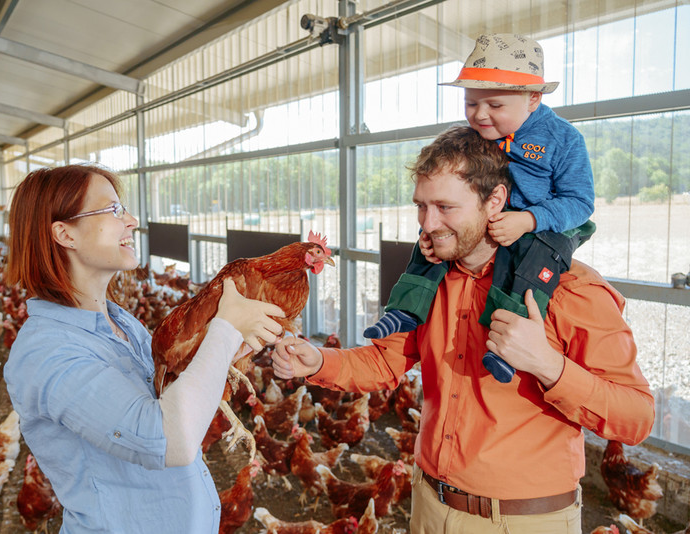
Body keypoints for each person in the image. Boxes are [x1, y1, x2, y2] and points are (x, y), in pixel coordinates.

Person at [273, 127, 654, 534]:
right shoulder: (432, 277)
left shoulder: (568, 289)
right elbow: (385, 360)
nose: (428, 223)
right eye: (421, 206)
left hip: (523, 520)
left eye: (445, 207)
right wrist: (318, 361)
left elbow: (637, 417)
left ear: (495, 202)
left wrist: (548, 365)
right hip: (430, 507)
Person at [3, 164, 285, 533]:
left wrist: (232, 349)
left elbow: (172, 395)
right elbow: (169, 440)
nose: (132, 221)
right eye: (113, 210)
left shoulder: (120, 323)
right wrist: (224, 327)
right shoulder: (47, 352)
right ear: (64, 233)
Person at [363, 33, 596, 384]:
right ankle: (405, 310)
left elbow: (581, 202)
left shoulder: (562, 140)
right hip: (495, 220)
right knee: (431, 237)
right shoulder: (480, 136)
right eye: (472, 103)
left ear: (533, 99)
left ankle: (505, 346)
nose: (480, 114)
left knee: (532, 271)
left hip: (546, 228)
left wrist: (529, 219)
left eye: (495, 106)